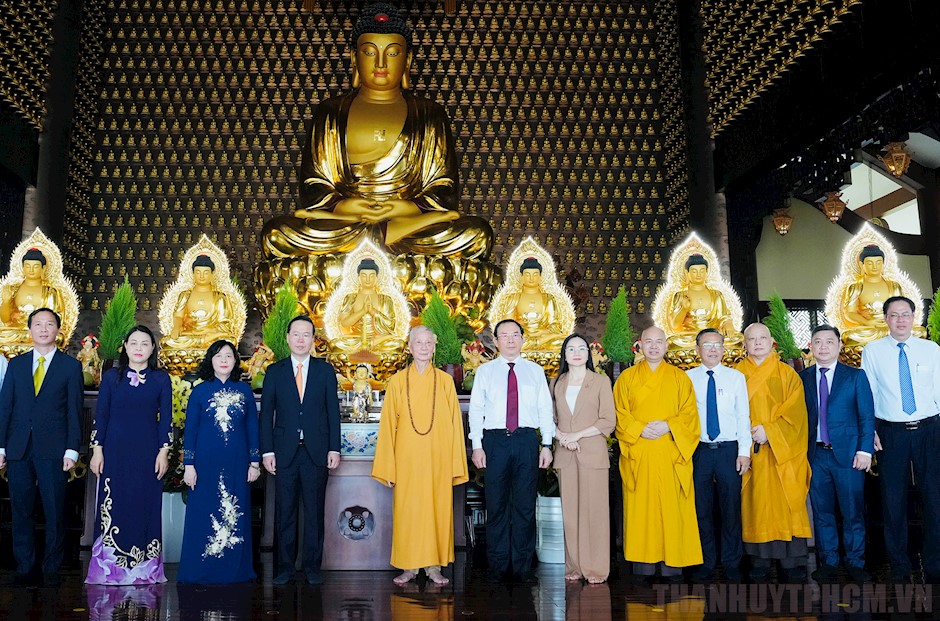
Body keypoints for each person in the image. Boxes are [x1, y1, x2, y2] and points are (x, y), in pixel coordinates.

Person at [261, 3, 492, 260]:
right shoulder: (331, 113)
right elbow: (314, 183)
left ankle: (378, 239)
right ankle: (381, 240)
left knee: (476, 234)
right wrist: (343, 205)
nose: (381, 63)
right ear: (354, 58)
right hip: (347, 223)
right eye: (370, 52)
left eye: (392, 53)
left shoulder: (429, 114)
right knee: (277, 234)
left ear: (408, 60)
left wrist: (407, 208)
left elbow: (443, 187)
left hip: (406, 223)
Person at [372, 326, 468, 585]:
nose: (424, 347)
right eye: (419, 343)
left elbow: (455, 425)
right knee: (408, 511)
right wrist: (388, 467)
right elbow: (388, 424)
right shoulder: (397, 381)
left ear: (434, 347)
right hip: (407, 459)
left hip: (438, 457)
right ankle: (409, 566)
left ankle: (434, 566)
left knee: (437, 510)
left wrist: (454, 464)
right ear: (410, 347)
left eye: (428, 343)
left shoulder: (446, 381)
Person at [0, 308, 83, 587]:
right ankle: (25, 566)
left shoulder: (70, 367)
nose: (44, 329)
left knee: (54, 510)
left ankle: (51, 569)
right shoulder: (17, 365)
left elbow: (74, 411)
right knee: (21, 509)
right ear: (30, 329)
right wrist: (1, 446)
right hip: (19, 448)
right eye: (38, 324)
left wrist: (72, 449)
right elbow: (5, 408)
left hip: (54, 449)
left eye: (49, 324)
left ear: (59, 330)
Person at [468, 319, 554, 584]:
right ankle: (497, 567)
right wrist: (477, 446)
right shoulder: (485, 372)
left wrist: (547, 445)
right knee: (496, 506)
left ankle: (523, 567)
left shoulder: (535, 371)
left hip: (526, 440)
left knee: (525, 506)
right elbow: (476, 410)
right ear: (495, 341)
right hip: (495, 442)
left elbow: (544, 409)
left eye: (515, 335)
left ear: (522, 339)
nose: (510, 340)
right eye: (504, 335)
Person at [86, 325, 173, 585]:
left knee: (144, 504)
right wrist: (97, 451)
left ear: (152, 348)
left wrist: (164, 452)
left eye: (144, 343)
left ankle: (145, 570)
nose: (138, 348)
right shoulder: (112, 377)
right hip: (114, 451)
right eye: (133, 343)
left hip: (148, 452)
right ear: (124, 346)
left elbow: (166, 420)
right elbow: (101, 416)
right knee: (114, 503)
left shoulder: (161, 379)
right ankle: (110, 569)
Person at [861, 296, 940, 583]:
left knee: (934, 498)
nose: (901, 320)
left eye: (905, 314)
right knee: (892, 500)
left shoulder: (931, 349)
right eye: (894, 315)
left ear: (914, 316)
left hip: (930, 430)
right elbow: (868, 394)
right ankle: (899, 564)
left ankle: (934, 563)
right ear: (886, 319)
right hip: (890, 432)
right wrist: (869, 430)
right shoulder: (872, 351)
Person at [614, 326, 702, 582]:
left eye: (659, 342)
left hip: (671, 452)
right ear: (639, 345)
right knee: (642, 512)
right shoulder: (627, 379)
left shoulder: (679, 378)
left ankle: (673, 565)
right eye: (648, 341)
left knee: (673, 510)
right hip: (639, 453)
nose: (653, 346)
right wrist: (639, 429)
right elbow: (620, 414)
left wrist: (669, 425)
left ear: (666, 346)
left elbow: (689, 416)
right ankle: (643, 566)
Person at [260, 315, 341, 586]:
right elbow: (266, 415)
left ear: (313, 339)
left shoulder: (325, 370)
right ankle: (284, 567)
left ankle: (312, 567)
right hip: (283, 452)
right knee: (285, 511)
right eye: (296, 334)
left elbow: (333, 412)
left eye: (306, 334)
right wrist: (267, 452)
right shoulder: (275, 371)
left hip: (316, 451)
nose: (301, 339)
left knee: (315, 511)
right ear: (287, 338)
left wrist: (334, 448)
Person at [177, 340, 259, 584]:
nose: (223, 360)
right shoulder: (200, 391)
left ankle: (234, 570)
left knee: (234, 510)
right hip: (204, 463)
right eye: (218, 355)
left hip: (236, 461)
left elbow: (252, 427)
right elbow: (190, 430)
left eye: (229, 356)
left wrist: (254, 462)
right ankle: (200, 569)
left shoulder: (244, 391)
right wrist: (189, 465)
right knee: (204, 511)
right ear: (210, 360)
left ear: (235, 361)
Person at [735, 323, 811, 582]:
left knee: (787, 502)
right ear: (744, 344)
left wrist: (770, 432)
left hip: (783, 452)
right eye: (751, 339)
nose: (757, 343)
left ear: (772, 342)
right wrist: (746, 437)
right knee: (755, 505)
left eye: (762, 338)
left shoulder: (787, 374)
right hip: (750, 451)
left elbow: (796, 414)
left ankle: (793, 562)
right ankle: (758, 561)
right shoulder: (736, 374)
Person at [800, 324, 874, 583]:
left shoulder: (855, 376)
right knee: (822, 512)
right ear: (811, 346)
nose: (823, 346)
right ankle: (829, 561)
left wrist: (865, 450)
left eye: (829, 341)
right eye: (817, 342)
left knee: (853, 511)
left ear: (839, 345)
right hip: (816, 456)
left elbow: (866, 416)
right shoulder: (803, 378)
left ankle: (855, 562)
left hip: (849, 455)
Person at [686, 328, 751, 582]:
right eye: (707, 344)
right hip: (699, 450)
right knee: (701, 508)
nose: (713, 349)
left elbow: (742, 415)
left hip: (728, 449)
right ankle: (705, 560)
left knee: (731, 507)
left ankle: (732, 561)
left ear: (724, 349)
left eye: (717, 345)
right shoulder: (687, 378)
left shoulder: (736, 378)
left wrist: (744, 452)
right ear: (697, 349)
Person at [551, 334, 616, 584]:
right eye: (570, 348)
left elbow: (607, 420)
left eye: (581, 348)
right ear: (564, 354)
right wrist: (561, 437)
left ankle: (596, 568)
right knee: (571, 513)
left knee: (595, 512)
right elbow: (548, 416)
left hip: (592, 453)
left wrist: (575, 434)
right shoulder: (557, 381)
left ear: (589, 354)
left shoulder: (600, 381)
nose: (576, 352)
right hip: (566, 454)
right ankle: (574, 566)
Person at [665, 253, 742, 350]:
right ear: (687, 273)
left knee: (737, 339)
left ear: (707, 272)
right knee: (673, 342)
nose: (698, 275)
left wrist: (728, 324)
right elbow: (674, 325)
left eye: (702, 271)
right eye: (694, 271)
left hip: (713, 335)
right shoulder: (680, 296)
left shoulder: (716, 295)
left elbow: (724, 316)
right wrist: (683, 309)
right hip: (689, 337)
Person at [162, 254, 237, 350]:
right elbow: (178, 316)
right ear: (193, 274)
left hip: (211, 335)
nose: (201, 276)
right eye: (198, 272)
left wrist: (210, 330)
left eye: (206, 272)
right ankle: (204, 344)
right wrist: (177, 327)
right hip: (190, 334)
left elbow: (225, 323)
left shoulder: (220, 297)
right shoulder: (185, 295)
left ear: (212, 274)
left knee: (229, 340)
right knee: (166, 342)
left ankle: (204, 344)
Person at [334, 258, 403, 353]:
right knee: (335, 344)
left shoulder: (386, 299)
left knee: (398, 344)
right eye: (364, 276)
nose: (367, 279)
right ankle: (372, 344)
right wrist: (362, 311)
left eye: (371, 276)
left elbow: (390, 325)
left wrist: (374, 312)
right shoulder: (350, 298)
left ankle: (373, 343)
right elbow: (344, 323)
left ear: (376, 278)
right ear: (358, 277)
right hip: (356, 339)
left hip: (379, 339)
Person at [839, 245, 904, 345]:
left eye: (878, 262)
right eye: (870, 263)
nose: (875, 266)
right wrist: (867, 322)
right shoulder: (856, 287)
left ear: (883, 264)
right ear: (862, 265)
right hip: (869, 329)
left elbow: (903, 309)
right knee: (848, 336)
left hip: (893, 327)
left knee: (919, 331)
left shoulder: (894, 286)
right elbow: (850, 313)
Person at [0, 249, 64, 344]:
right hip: (17, 332)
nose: (31, 270)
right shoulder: (12, 289)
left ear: (44, 268)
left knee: (59, 338)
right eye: (27, 266)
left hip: (41, 331)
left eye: (36, 266)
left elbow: (56, 318)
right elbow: (5, 319)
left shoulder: (51, 292)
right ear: (22, 267)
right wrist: (6, 301)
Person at [506, 257, 567, 351]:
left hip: (544, 335)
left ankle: (537, 343)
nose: (531, 278)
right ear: (521, 277)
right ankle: (537, 343)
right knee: (511, 342)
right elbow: (507, 325)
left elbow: (555, 324)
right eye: (527, 275)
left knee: (562, 342)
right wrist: (523, 331)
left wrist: (544, 332)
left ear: (540, 277)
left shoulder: (549, 298)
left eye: (535, 275)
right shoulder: (513, 298)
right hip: (522, 337)